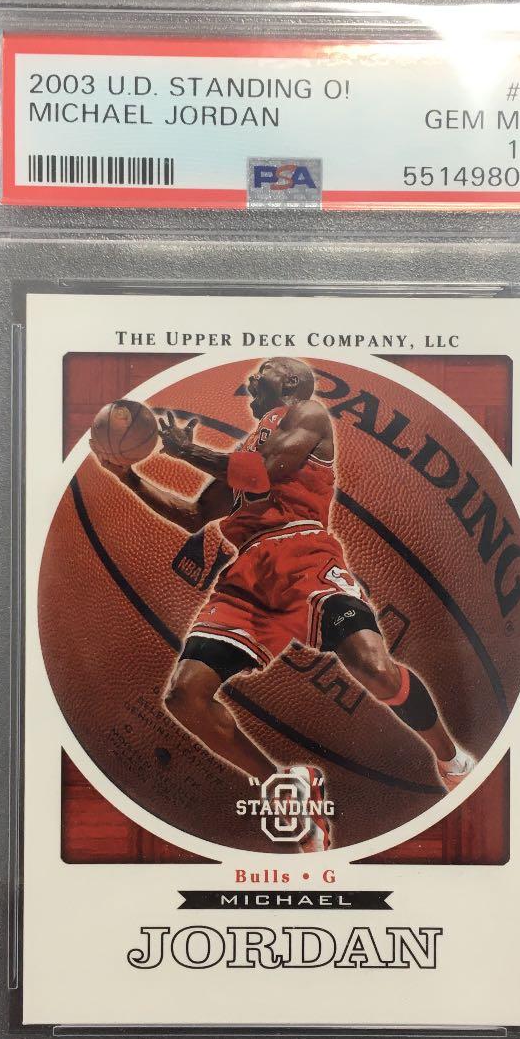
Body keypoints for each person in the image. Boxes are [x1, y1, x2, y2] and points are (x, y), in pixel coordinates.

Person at [93, 358, 474, 851]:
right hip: (247, 576)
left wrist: (186, 451)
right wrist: (127, 476)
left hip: (305, 555)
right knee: (184, 697)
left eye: (266, 370)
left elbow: (263, 475)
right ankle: (286, 792)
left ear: (290, 383)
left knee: (374, 668)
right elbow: (192, 515)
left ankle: (451, 760)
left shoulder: (305, 414)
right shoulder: (240, 453)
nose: (253, 378)